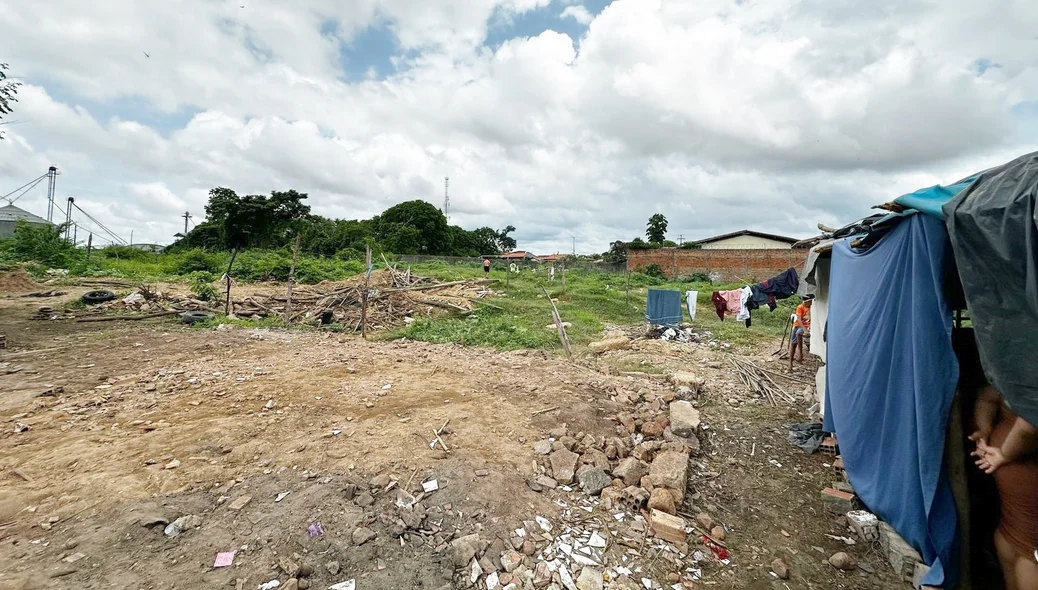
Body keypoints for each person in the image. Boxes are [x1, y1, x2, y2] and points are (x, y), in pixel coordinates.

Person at [971, 385, 1038, 590]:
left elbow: (1030, 424)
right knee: (1022, 545)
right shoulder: (1015, 370)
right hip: (1018, 524)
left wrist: (1004, 453)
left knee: (1024, 548)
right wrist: (985, 431)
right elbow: (987, 398)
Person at [789, 296, 812, 372]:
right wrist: (805, 329)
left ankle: (800, 354)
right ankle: (790, 363)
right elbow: (799, 319)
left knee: (799, 333)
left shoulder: (812, 308)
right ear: (806, 302)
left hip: (808, 326)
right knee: (793, 343)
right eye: (810, 302)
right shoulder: (800, 307)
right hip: (799, 325)